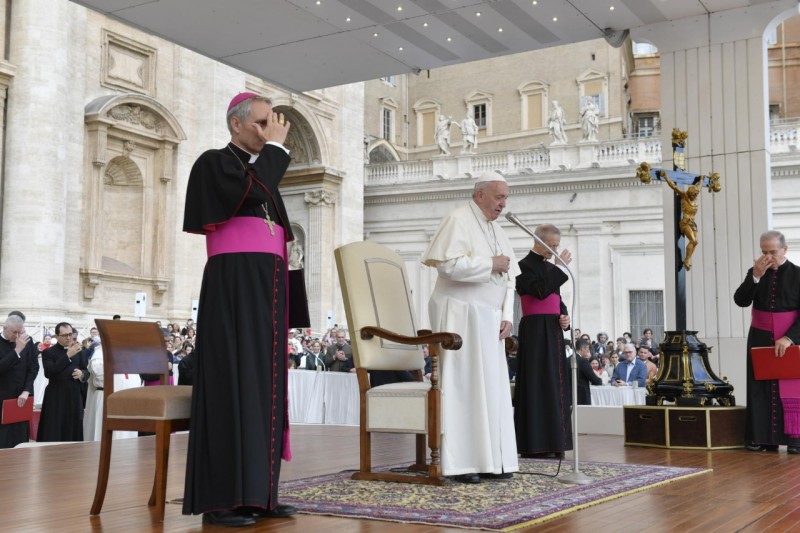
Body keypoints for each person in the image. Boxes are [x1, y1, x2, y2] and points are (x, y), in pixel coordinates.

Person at [182, 92, 305, 526]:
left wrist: (295, 302)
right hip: (234, 286)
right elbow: (249, 192)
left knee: (264, 389)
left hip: (268, 289)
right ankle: (221, 499)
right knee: (232, 383)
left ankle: (259, 495)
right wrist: (277, 151)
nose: (268, 132)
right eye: (260, 123)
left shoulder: (262, 173)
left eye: (271, 124)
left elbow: (283, 240)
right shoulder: (215, 163)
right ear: (235, 124)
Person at [422, 170, 519, 484]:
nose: (503, 204)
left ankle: (491, 460)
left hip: (490, 322)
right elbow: (447, 265)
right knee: (464, 388)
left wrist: (507, 315)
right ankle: (462, 463)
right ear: (480, 194)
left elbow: (510, 279)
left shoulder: (497, 229)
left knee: (490, 390)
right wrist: (490, 264)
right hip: (459, 316)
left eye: (505, 198)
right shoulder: (458, 219)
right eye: (499, 197)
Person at [734, 230, 800, 453]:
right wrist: (755, 277)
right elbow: (741, 300)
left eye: (772, 252)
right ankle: (762, 438)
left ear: (784, 249)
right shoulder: (755, 272)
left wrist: (790, 338)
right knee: (759, 388)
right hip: (760, 338)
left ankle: (795, 440)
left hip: (791, 340)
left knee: (793, 389)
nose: (768, 257)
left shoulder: (798, 274)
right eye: (764, 252)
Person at [514, 223, 573, 459]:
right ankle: (536, 444)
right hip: (535, 333)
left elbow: (556, 300)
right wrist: (559, 268)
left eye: (557, 246)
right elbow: (540, 291)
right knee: (538, 385)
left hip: (554, 331)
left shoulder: (550, 267)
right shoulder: (522, 266)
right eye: (552, 246)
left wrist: (565, 317)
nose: (555, 250)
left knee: (556, 387)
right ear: (538, 242)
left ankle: (556, 442)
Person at [37, 322, 88, 442]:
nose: (69, 337)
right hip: (56, 396)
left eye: (70, 334)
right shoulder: (48, 352)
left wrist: (82, 374)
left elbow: (86, 371)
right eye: (65, 335)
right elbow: (49, 372)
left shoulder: (80, 351)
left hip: (74, 396)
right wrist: (68, 355)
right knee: (54, 427)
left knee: (73, 428)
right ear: (57, 336)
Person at [0, 315, 39, 448]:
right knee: (3, 438)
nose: (17, 336)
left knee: (20, 438)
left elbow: (33, 368)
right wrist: (16, 350)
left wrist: (26, 390)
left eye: (20, 332)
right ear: (4, 328)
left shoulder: (27, 341)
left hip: (22, 396)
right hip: (2, 397)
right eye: (14, 332)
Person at [575, 339, 603, 405]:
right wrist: (601, 380)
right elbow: (595, 380)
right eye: (587, 350)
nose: (588, 352)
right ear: (582, 349)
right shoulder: (583, 361)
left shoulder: (567, 359)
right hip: (581, 397)